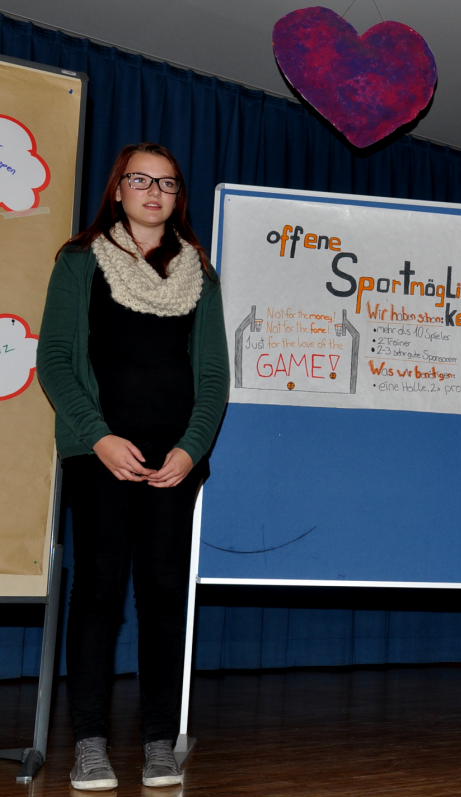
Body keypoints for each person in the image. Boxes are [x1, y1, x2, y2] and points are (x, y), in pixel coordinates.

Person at [37, 142, 229, 790]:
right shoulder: (79, 260)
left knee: (164, 596)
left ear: (179, 197)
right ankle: (89, 743)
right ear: (118, 189)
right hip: (101, 456)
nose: (154, 192)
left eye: (167, 183)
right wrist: (99, 438)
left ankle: (157, 742)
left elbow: (214, 376)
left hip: (174, 461)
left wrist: (190, 449)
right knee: (97, 594)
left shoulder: (201, 274)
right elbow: (55, 359)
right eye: (140, 180)